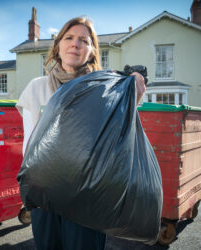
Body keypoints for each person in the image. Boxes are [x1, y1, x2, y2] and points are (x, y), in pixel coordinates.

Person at [16, 16, 146, 250]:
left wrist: (132, 95)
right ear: (58, 46)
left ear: (92, 52)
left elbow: (117, 135)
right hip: (45, 195)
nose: (75, 44)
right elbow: (29, 145)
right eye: (69, 37)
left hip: (89, 196)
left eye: (83, 41)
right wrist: (29, 193)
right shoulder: (37, 88)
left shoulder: (104, 90)